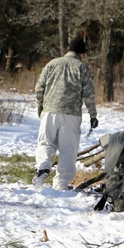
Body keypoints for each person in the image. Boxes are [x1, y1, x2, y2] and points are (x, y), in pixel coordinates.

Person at [33, 36, 98, 190]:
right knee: (68, 149)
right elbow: (89, 94)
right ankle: (61, 184)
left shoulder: (52, 64)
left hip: (50, 111)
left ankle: (43, 167)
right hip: (72, 114)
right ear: (81, 54)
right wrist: (93, 115)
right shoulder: (82, 67)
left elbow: (39, 88)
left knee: (45, 142)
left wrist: (41, 108)